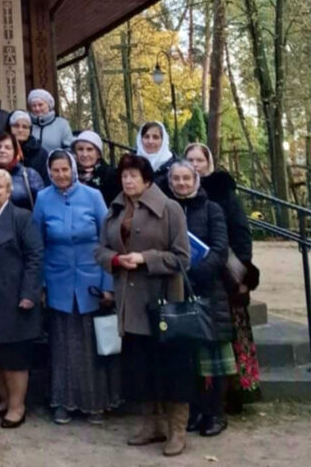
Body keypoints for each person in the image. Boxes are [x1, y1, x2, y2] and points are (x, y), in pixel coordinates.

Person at [95, 154, 193, 457]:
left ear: (147, 179)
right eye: (124, 176)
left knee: (171, 368)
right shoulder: (114, 210)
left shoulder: (170, 208)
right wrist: (114, 260)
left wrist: (145, 258)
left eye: (133, 176)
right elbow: (100, 249)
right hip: (130, 303)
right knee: (141, 369)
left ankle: (177, 429)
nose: (128, 181)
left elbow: (182, 257)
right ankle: (152, 424)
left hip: (163, 301)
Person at [33, 150, 121, 425]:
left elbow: (108, 241)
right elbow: (38, 245)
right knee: (62, 345)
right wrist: (41, 285)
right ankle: (63, 402)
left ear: (73, 169)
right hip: (58, 280)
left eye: (65, 169)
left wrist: (108, 285)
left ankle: (96, 404)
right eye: (55, 170)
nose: (61, 175)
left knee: (92, 345)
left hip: (91, 280)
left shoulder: (93, 196)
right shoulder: (43, 198)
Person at [184, 142, 261, 412]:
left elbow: (241, 231)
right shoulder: (180, 189)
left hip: (227, 271)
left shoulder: (223, 192)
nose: (195, 165)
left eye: (199, 160)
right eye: (190, 160)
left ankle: (235, 392)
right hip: (197, 273)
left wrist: (242, 270)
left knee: (231, 332)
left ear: (209, 163)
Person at [167, 160, 235, 438]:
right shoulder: (167, 209)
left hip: (208, 289)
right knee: (187, 357)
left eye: (186, 178)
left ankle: (216, 413)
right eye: (176, 179)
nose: (181, 183)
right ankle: (193, 411)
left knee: (212, 356)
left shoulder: (211, 209)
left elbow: (220, 248)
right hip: (177, 289)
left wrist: (196, 274)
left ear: (196, 180)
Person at [0, 169, 44, 428]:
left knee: (14, 357)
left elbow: (35, 256)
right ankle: (4, 399)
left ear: (9, 190)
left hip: (13, 296)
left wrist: (28, 293)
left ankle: (17, 406)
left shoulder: (21, 217)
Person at [0, 132, 43, 211]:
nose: (2, 150)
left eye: (7, 148)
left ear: (15, 152)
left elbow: (41, 207)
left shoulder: (29, 176)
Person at [73, 130, 120, 205]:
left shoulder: (111, 175)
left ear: (98, 153)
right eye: (80, 149)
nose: (84, 154)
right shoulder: (71, 174)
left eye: (89, 149)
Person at [8, 110, 49, 182]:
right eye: (16, 126)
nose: (20, 130)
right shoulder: (3, 150)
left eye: (25, 127)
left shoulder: (41, 154)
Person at [137, 121, 177, 189]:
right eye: (146, 137)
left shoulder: (175, 165)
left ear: (163, 140)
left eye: (155, 137)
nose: (150, 141)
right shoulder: (131, 164)